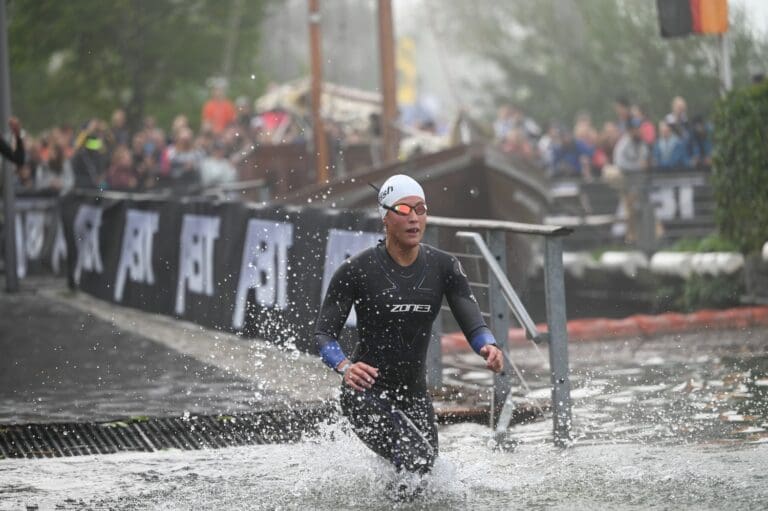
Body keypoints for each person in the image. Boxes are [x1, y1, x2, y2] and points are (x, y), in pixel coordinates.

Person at [314, 174, 503, 480]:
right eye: (403, 210)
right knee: (416, 463)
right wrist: (345, 366)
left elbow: (472, 318)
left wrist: (488, 345)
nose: (414, 218)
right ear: (385, 218)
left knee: (427, 477)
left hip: (414, 394)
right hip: (366, 394)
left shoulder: (444, 266)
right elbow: (324, 334)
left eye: (421, 209)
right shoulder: (356, 270)